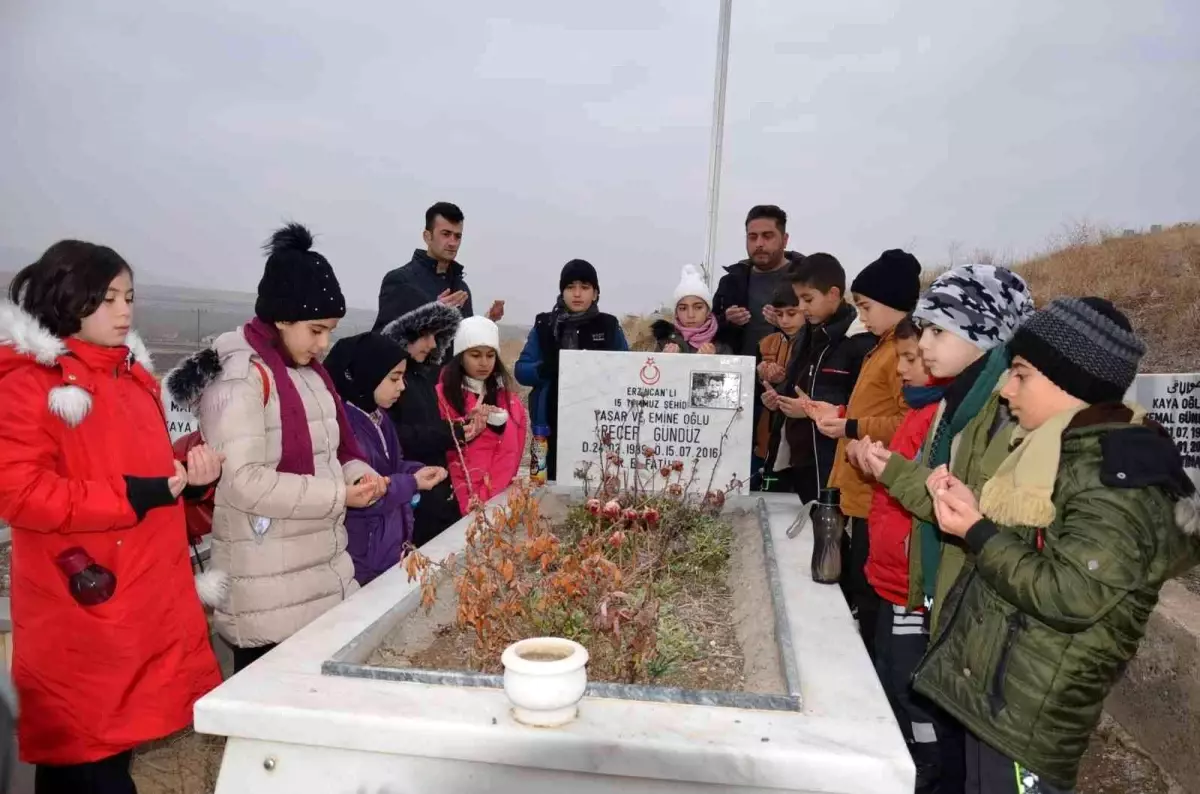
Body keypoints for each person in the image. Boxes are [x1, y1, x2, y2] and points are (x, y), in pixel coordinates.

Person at [919, 298, 1200, 793]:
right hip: (1005, 700)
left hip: (1030, 718)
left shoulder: (1117, 476)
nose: (1006, 390)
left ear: (1075, 384)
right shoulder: (1059, 453)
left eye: (1021, 374)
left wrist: (979, 533)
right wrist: (978, 514)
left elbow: (1072, 594)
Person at [0, 240, 223, 793]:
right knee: (82, 757)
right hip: (80, 603)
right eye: (107, 299)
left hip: (137, 598)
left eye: (129, 297)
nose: (124, 311)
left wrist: (188, 480)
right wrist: (134, 494)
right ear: (67, 299)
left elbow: (143, 476)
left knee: (110, 753)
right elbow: (19, 494)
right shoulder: (30, 384)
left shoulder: (131, 379)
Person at [167, 223, 387, 674]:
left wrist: (356, 475)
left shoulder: (307, 371)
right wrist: (338, 495)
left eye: (330, 331)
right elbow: (244, 483)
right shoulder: (241, 377)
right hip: (266, 588)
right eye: (316, 330)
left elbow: (333, 453)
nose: (324, 343)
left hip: (319, 574)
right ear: (282, 319)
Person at [857, 264, 1035, 792]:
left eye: (939, 330)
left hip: (977, 610)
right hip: (946, 597)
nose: (925, 344)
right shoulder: (958, 402)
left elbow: (972, 512)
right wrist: (891, 469)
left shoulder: (998, 410)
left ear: (982, 332)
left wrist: (893, 471)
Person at [846, 316, 948, 793]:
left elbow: (923, 494)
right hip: (890, 576)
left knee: (911, 685)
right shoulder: (914, 411)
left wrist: (882, 468)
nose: (904, 368)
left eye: (912, 359)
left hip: (911, 583)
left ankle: (928, 768)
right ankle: (906, 757)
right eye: (904, 357)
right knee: (887, 670)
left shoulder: (938, 419)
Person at [809, 249, 923, 658]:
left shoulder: (901, 354)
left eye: (867, 307)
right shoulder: (881, 348)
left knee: (869, 592)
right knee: (861, 585)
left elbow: (908, 424)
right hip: (863, 491)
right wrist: (840, 415)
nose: (863, 317)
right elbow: (875, 412)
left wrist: (851, 426)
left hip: (880, 490)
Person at [325, 332, 450, 585]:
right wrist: (412, 482)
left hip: (387, 546)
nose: (402, 386)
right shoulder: (347, 427)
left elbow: (392, 466)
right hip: (363, 554)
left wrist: (418, 470)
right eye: (394, 378)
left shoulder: (380, 418)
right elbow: (370, 490)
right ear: (368, 375)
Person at [764, 253, 874, 504]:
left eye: (807, 299)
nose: (802, 307)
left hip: (833, 465)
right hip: (800, 459)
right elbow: (801, 384)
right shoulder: (809, 334)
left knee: (829, 540)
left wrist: (810, 410)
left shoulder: (858, 341)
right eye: (799, 299)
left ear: (833, 294)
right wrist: (779, 398)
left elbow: (865, 407)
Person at [515, 259, 628, 482]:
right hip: (548, 426)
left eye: (585, 287)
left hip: (598, 426)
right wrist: (543, 369)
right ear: (562, 291)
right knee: (545, 491)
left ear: (595, 293)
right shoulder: (544, 325)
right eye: (570, 287)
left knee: (595, 489)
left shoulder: (608, 326)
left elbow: (626, 369)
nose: (577, 294)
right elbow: (521, 371)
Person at [380, 301, 465, 547]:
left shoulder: (420, 375)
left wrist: (457, 428)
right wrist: (449, 432)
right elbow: (396, 438)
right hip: (410, 499)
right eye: (425, 335)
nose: (432, 344)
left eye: (436, 336)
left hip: (433, 492)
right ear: (404, 332)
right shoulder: (389, 382)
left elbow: (426, 424)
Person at [437, 317, 528, 512]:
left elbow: (515, 452)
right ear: (461, 356)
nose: (484, 363)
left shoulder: (510, 402)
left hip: (499, 499)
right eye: (476, 355)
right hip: (459, 499)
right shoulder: (443, 396)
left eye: (490, 355)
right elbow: (446, 450)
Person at [373, 201, 504, 331]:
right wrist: (432, 315)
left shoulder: (461, 289)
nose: (453, 243)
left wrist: (488, 322)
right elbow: (383, 341)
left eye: (457, 236)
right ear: (427, 237)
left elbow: (462, 343)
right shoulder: (401, 281)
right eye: (446, 234)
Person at [712, 204, 805, 356]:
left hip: (789, 375)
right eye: (752, 237)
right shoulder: (730, 282)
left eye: (767, 236)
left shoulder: (805, 279)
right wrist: (725, 320)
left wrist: (786, 323)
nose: (759, 244)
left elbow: (822, 328)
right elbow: (706, 327)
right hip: (737, 375)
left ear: (785, 239)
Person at [755, 284, 804, 492]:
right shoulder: (767, 343)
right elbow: (752, 392)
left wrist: (782, 384)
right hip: (769, 435)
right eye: (779, 314)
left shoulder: (813, 344)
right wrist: (759, 376)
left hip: (799, 440)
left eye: (792, 314)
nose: (785, 320)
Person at [651, 264, 733, 354]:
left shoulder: (722, 345)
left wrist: (713, 361)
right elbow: (651, 367)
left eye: (698, 307)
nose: (690, 315)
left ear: (708, 311)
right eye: (683, 308)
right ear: (676, 313)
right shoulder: (663, 343)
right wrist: (664, 360)